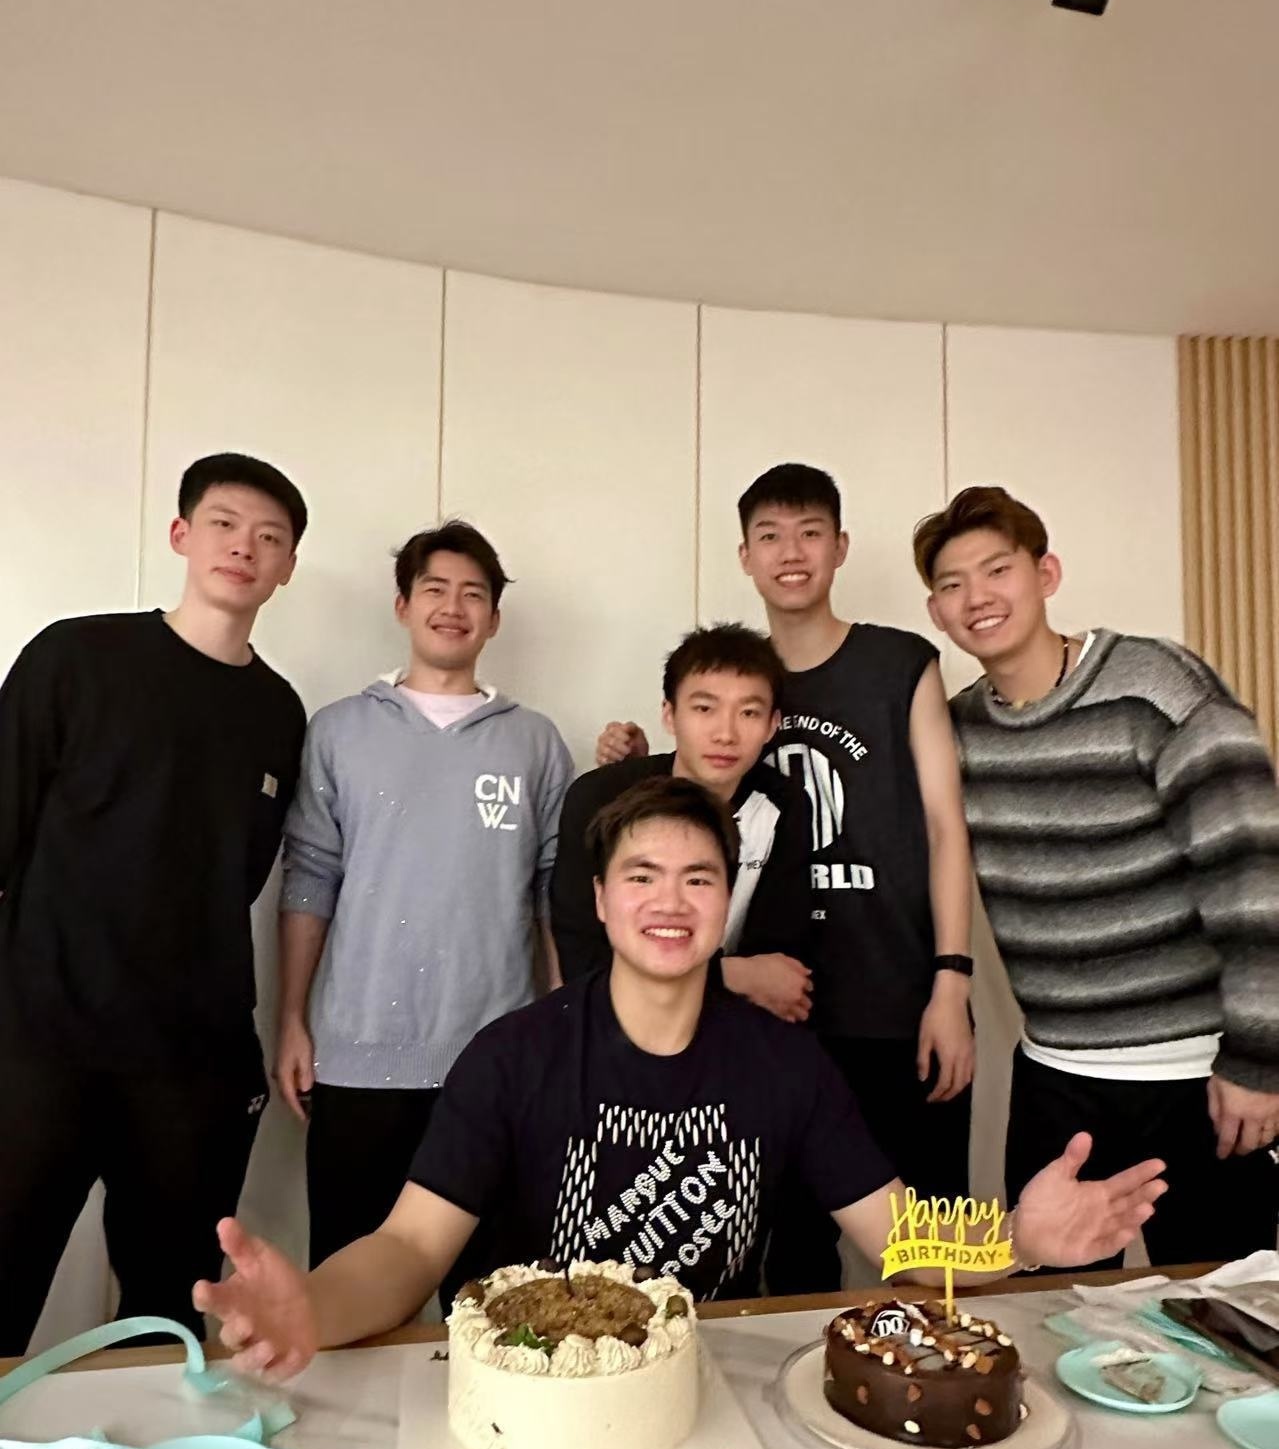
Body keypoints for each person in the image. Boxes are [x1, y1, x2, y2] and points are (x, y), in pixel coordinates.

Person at [193, 777, 1166, 1381]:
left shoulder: (783, 1062)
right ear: (600, 901)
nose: (670, 899)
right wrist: (311, 1308)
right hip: (529, 1388)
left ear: (724, 901)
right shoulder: (513, 1056)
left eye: (698, 877)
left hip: (707, 1378)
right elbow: (409, 1247)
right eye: (642, 875)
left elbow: (898, 1235)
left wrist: (1019, 1241)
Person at [597, 464, 975, 1292]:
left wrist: (952, 980)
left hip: (898, 998)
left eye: (810, 533)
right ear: (744, 556)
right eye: (769, 536)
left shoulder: (898, 663)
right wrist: (633, 763)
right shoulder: (729, 675)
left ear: (840, 547)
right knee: (789, 1253)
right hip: (770, 1020)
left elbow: (946, 826)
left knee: (931, 1239)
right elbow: (683, 802)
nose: (791, 553)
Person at [914, 484, 1279, 1267]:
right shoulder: (958, 730)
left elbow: (1253, 874)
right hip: (1055, 1077)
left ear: (1044, 574)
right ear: (936, 612)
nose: (977, 597)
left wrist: (1258, 1060)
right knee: (1047, 1309)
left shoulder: (1156, 687)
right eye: (952, 584)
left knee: (1220, 1308)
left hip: (1199, 1076)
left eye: (997, 570)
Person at [0, 452, 308, 1352]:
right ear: (180, 534)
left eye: (268, 537)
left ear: (287, 567)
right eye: (224, 524)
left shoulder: (278, 712)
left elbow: (244, 871)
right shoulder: (76, 656)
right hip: (42, 1038)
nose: (243, 548)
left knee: (168, 1314)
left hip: (192, 1059)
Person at [274, 520, 574, 1271]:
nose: (452, 606)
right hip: (357, 1056)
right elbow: (310, 876)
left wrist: (564, 1029)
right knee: (351, 1282)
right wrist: (292, 1018)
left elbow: (553, 893)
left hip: (497, 1064)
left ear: (494, 619)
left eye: (473, 594)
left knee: (493, 1297)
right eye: (434, 589)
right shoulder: (339, 730)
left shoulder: (535, 743)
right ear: (403, 606)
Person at [551, 622, 813, 1021]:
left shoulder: (784, 804)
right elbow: (584, 960)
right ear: (669, 715)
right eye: (705, 708)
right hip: (613, 1024)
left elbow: (778, 971)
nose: (725, 734)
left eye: (749, 712)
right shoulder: (599, 798)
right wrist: (733, 975)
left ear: (772, 725)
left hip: (728, 1029)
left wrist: (745, 980)